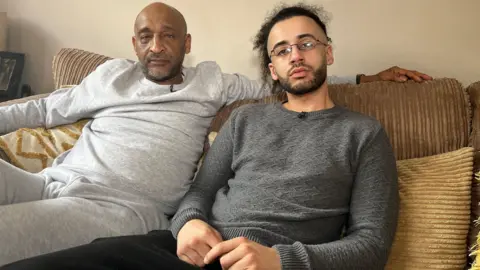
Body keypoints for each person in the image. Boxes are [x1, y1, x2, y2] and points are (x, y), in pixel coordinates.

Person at [2, 3, 400, 270]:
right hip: (178, 248)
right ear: (272, 68)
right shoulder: (247, 120)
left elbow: (371, 244)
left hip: (251, 259)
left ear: (327, 53)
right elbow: (199, 193)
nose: (295, 55)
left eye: (306, 44)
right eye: (282, 50)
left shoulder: (363, 134)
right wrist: (189, 223)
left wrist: (281, 260)